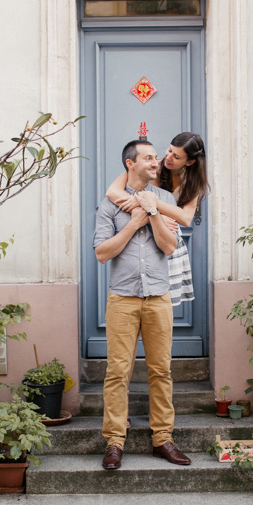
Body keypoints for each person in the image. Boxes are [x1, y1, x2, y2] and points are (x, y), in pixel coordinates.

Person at [93, 139, 192, 470]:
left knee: (161, 370)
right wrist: (133, 223)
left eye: (156, 158)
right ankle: (114, 441)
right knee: (118, 371)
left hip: (158, 298)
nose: (157, 162)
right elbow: (102, 253)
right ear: (130, 164)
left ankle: (163, 439)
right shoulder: (109, 206)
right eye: (148, 158)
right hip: (122, 298)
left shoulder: (164, 200)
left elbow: (168, 246)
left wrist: (150, 213)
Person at [105, 132, 210, 306]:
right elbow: (112, 192)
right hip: (144, 236)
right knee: (137, 294)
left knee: (160, 302)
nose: (168, 157)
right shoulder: (153, 166)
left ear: (189, 162)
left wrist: (153, 205)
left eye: (176, 156)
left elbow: (185, 218)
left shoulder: (193, 182)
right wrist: (151, 210)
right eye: (169, 150)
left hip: (167, 239)